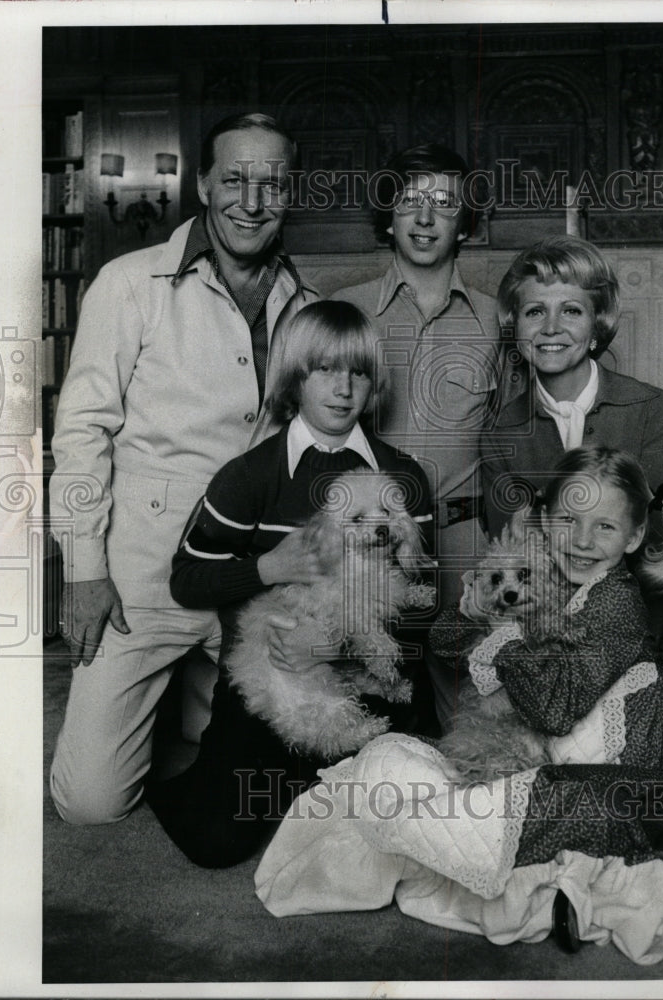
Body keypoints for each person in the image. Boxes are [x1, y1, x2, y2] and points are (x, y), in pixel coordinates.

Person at [252, 448, 663, 964]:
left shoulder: (615, 602)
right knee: (384, 761)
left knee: (436, 815)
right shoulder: (538, 575)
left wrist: (502, 637)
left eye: (606, 527)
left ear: (635, 537)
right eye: (569, 521)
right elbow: (444, 641)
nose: (584, 540)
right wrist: (475, 607)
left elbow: (554, 713)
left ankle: (548, 891)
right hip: (543, 764)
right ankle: (520, 875)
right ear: (547, 521)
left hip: (606, 787)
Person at [49, 112, 319, 826]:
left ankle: (205, 717)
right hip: (142, 575)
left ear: (290, 195)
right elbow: (80, 430)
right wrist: (82, 570)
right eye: (233, 179)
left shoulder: (308, 306)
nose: (250, 201)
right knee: (90, 804)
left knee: (281, 781)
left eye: (271, 183)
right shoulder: (129, 283)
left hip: (248, 582)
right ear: (202, 184)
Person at [145, 300, 434, 867]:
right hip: (269, 672)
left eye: (358, 372)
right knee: (219, 842)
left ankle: (312, 782)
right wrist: (266, 569)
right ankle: (195, 779)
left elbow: (431, 610)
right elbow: (187, 581)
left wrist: (337, 645)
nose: (343, 388)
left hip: (373, 676)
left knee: (401, 835)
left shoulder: (403, 476)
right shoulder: (250, 474)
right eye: (324, 369)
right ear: (294, 377)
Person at [479, 235, 663, 850]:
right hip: (558, 618)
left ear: (598, 324)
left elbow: (651, 543)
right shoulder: (501, 430)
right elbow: (521, 551)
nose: (553, 327)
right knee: (556, 815)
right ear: (516, 328)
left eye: (572, 310)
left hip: (645, 613)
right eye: (535, 311)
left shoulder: (651, 409)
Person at [332, 143, 517, 727]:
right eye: (410, 200)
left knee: (473, 704)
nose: (425, 216)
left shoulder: (498, 320)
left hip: (465, 540)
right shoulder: (345, 311)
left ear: (465, 224)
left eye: (445, 203)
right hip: (368, 542)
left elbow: (512, 438)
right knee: (368, 696)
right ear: (388, 216)